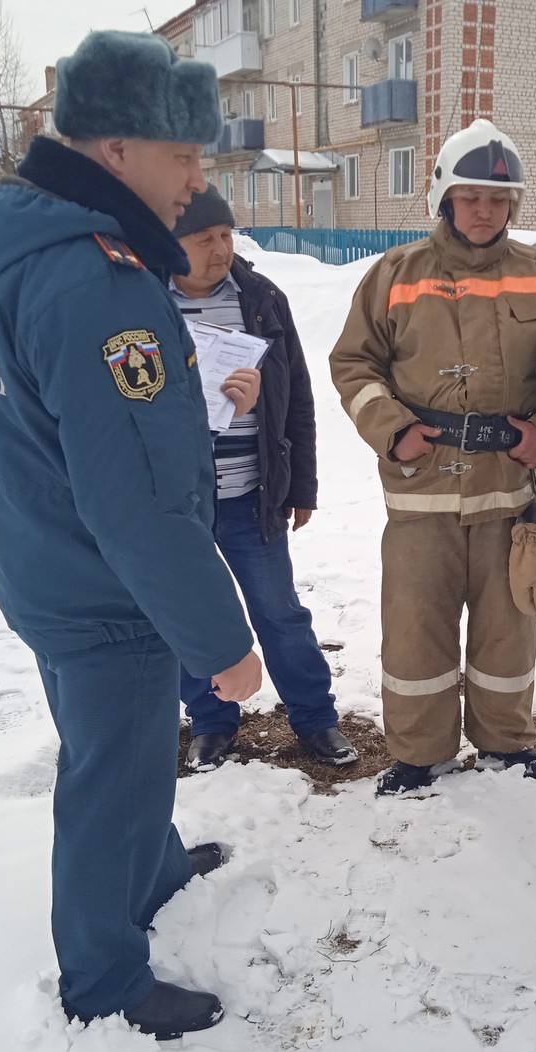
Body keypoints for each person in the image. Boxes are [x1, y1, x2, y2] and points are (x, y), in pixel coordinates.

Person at [0, 30, 261, 1040]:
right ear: (117, 149)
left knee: (121, 753)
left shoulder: (18, 228)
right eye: (185, 159)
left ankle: (157, 866)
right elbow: (134, 499)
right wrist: (222, 644)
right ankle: (102, 975)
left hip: (44, 555)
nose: (196, 184)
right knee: (109, 776)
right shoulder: (98, 282)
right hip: (102, 584)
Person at [328, 118, 536, 796]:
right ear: (445, 196)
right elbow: (353, 363)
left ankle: (506, 742)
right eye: (471, 196)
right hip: (422, 495)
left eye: (498, 200)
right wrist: (391, 429)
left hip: (511, 492)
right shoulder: (395, 275)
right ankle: (420, 754)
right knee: (416, 632)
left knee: (510, 630)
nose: (484, 210)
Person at [169, 188, 358, 770]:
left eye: (225, 235)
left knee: (280, 611)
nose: (221, 249)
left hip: (253, 492)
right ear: (171, 244)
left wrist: (301, 488)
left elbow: (297, 396)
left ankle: (316, 719)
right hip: (179, 503)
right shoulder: (142, 306)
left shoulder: (261, 299)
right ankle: (211, 720)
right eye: (204, 240)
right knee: (191, 612)